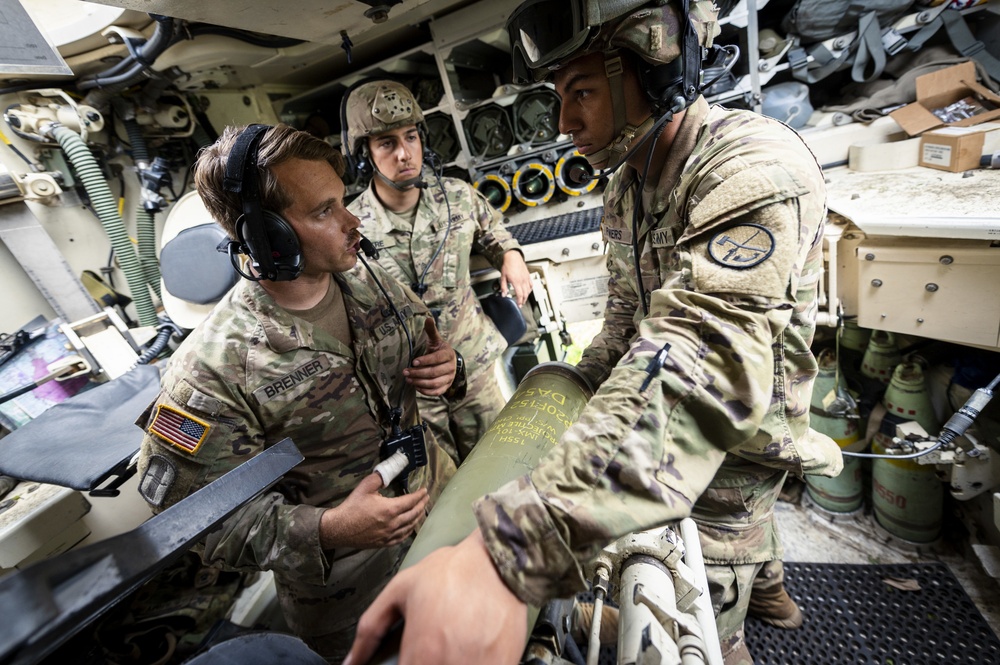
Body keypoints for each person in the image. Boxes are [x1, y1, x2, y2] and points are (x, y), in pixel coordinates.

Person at [343, 1, 843, 664]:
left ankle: (746, 613)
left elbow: (698, 363)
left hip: (743, 425)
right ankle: (772, 584)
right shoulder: (629, 184)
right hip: (682, 422)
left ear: (656, 74)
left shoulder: (750, 168)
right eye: (558, 97)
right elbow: (625, 323)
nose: (564, 121)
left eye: (581, 92)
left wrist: (515, 550)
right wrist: (572, 386)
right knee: (742, 527)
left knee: (716, 566)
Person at [134, 123, 461, 663]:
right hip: (353, 592)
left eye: (343, 201)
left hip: (444, 515)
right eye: (324, 212)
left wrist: (449, 368)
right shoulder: (211, 370)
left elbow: (435, 351)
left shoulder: (371, 280)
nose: (353, 221)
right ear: (268, 236)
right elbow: (196, 520)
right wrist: (327, 528)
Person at [344, 80, 533, 465]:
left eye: (411, 137)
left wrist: (511, 254)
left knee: (505, 468)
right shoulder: (351, 226)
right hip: (410, 391)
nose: (404, 153)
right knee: (442, 493)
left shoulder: (457, 195)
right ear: (364, 156)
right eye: (386, 144)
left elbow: (492, 228)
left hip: (475, 370)